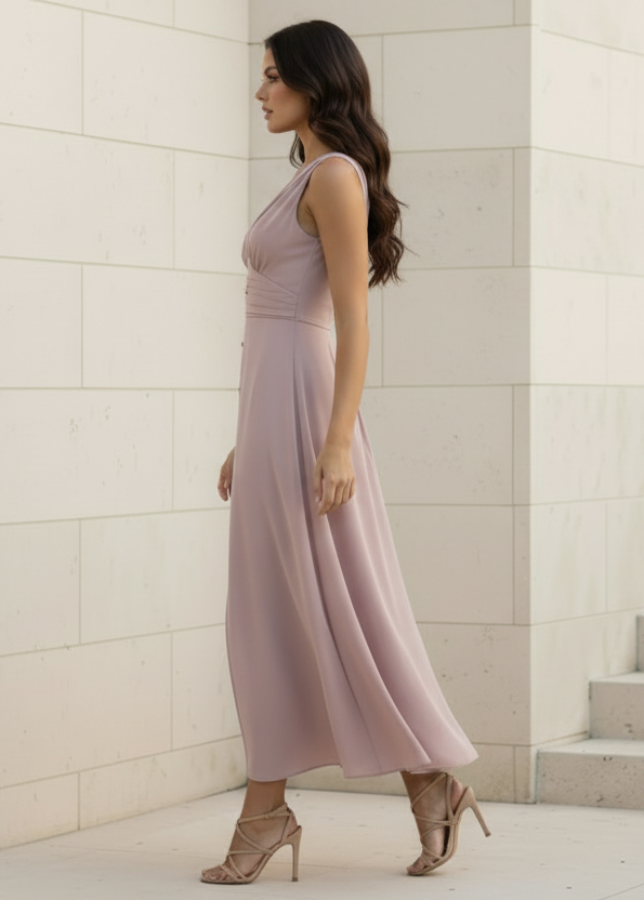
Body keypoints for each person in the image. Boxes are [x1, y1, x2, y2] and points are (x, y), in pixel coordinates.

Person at [201, 19, 490, 887]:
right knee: (271, 615)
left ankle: (312, 805)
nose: (259, 92)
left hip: (311, 422)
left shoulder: (333, 178)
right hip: (273, 417)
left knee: (343, 609)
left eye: (272, 77)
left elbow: (351, 324)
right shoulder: (305, 175)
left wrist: (334, 443)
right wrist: (244, 436)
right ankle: (310, 803)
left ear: (313, 83)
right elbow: (280, 324)